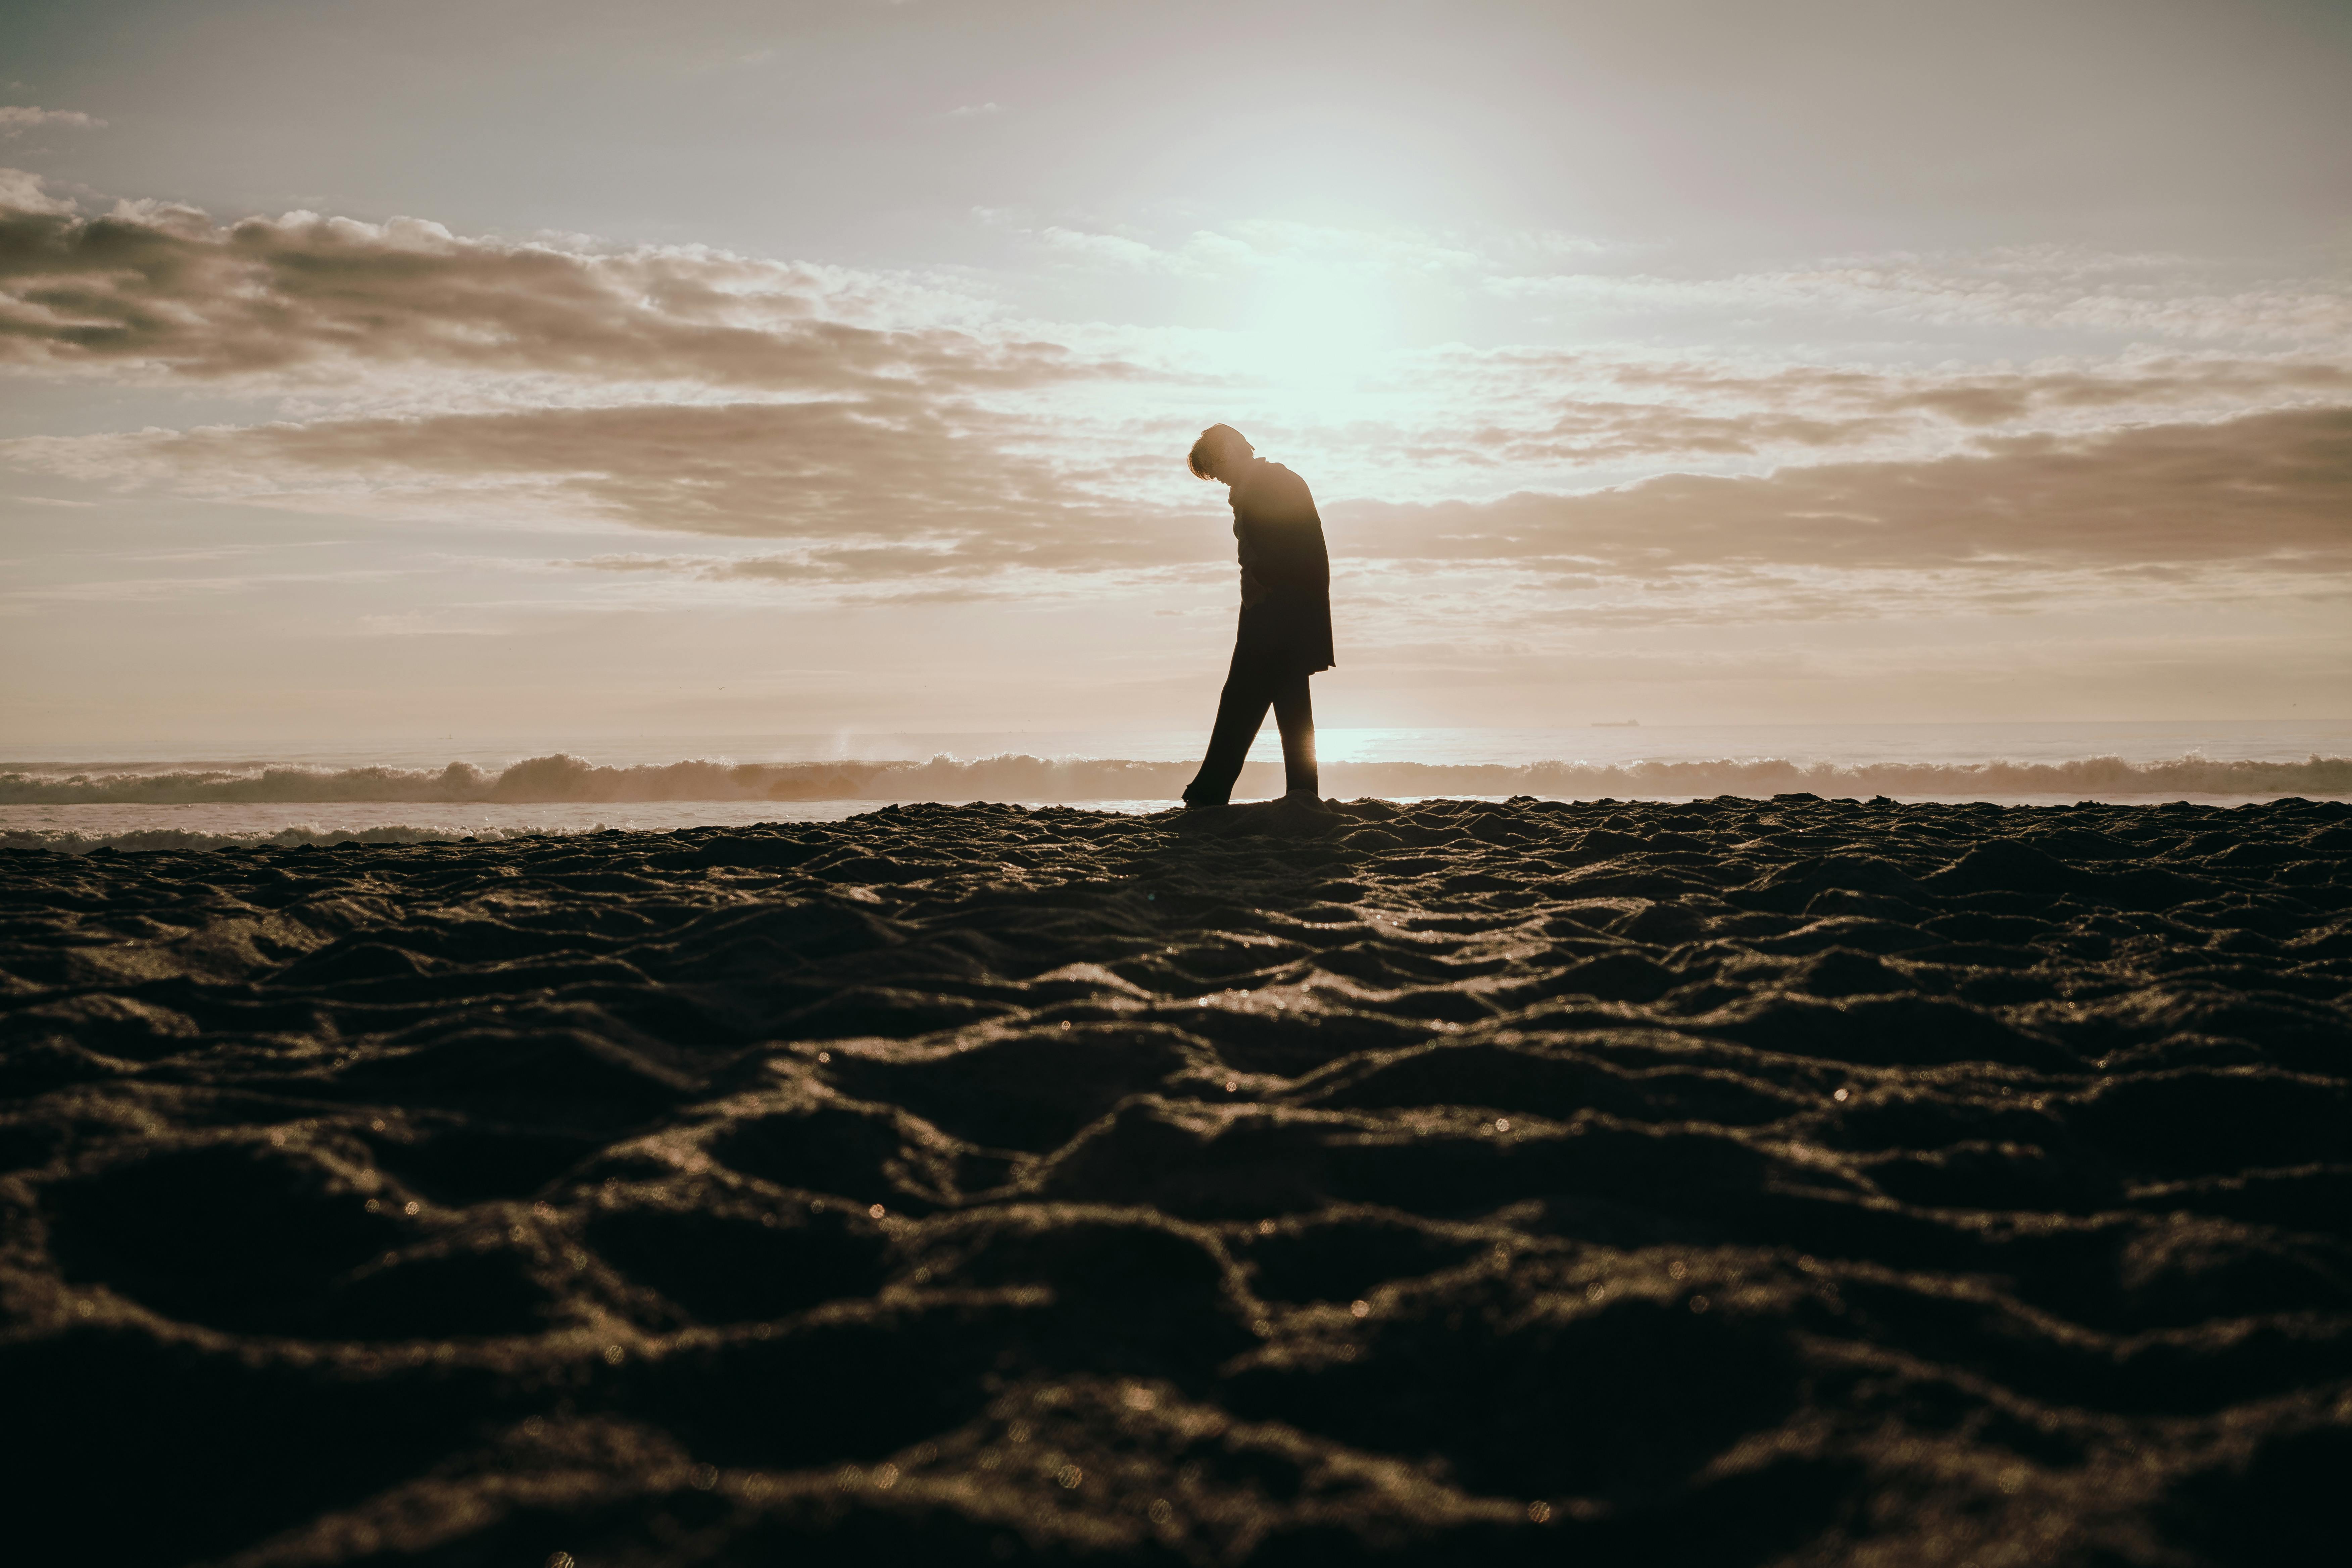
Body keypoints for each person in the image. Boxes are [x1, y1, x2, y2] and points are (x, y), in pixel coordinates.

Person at [1180, 424, 1333, 807]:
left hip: (1277, 612)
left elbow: (1294, 549)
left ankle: (1210, 792)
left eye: (1213, 466)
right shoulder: (1261, 484)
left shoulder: (1270, 483)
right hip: (1274, 610)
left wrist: (1267, 585)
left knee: (1242, 701)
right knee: (1289, 703)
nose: (1216, 477)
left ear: (1229, 450)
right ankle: (1303, 794)